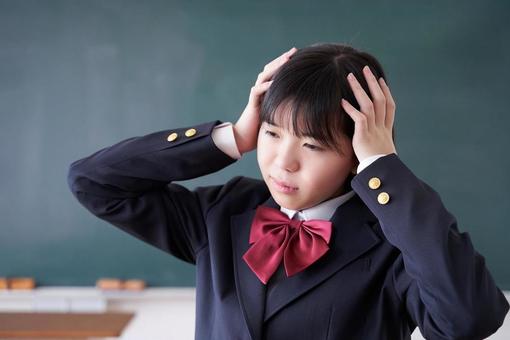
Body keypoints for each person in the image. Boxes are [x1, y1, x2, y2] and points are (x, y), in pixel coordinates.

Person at [68, 43, 509, 339]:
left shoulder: (394, 243)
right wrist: (231, 138)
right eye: (273, 133)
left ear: (356, 150)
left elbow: (469, 319)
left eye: (313, 145)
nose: (282, 162)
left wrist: (383, 167)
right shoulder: (224, 211)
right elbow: (95, 182)